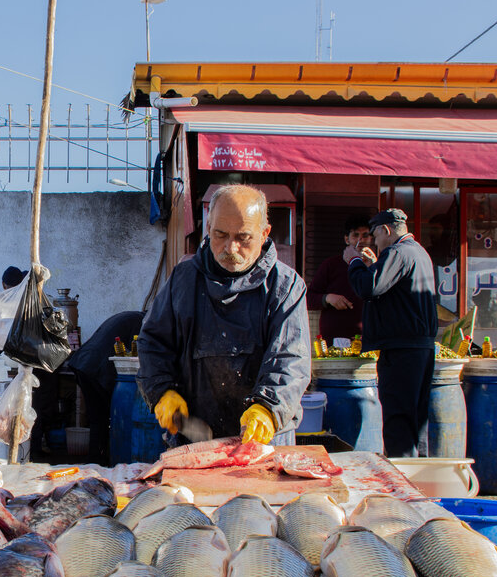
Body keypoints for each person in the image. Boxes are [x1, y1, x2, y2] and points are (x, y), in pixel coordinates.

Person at [138, 184, 311, 445]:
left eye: (243, 238)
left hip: (264, 438)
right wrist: (162, 390)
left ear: (264, 234)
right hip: (193, 438)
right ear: (208, 228)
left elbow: (290, 358)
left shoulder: (286, 286)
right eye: (220, 234)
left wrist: (268, 408)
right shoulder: (183, 281)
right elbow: (153, 342)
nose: (230, 248)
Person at [346, 208, 439, 458]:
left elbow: (369, 287)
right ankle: (419, 479)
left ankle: (403, 484)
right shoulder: (418, 252)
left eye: (375, 236)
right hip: (421, 348)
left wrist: (354, 263)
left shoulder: (397, 252)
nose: (375, 242)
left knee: (399, 418)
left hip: (401, 349)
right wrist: (372, 265)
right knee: (415, 419)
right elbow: (391, 287)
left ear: (386, 230)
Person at [65, 310, 144, 462]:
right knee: (101, 417)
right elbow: (139, 354)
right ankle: (99, 460)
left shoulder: (130, 316)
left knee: (97, 418)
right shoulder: (142, 324)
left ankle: (96, 459)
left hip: (83, 362)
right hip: (93, 368)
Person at [307, 214, 371, 343]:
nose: (361, 240)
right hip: (335, 340)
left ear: (371, 238)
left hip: (368, 338)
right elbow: (308, 298)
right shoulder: (331, 265)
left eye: (365, 235)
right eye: (355, 235)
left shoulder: (376, 265)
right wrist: (328, 298)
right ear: (347, 239)